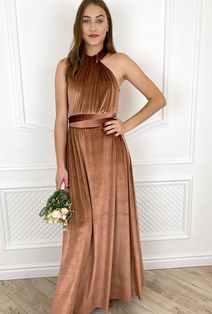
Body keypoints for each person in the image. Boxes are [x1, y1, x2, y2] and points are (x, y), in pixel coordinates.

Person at [50, 0, 166, 313]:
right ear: (79, 26)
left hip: (109, 152)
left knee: (108, 220)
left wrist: (126, 124)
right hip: (76, 151)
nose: (93, 27)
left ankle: (105, 289)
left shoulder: (121, 61)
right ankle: (74, 297)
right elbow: (61, 119)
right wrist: (60, 164)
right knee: (81, 226)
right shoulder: (65, 66)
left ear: (108, 25)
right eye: (86, 21)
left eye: (99, 21)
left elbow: (158, 98)